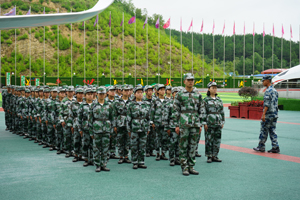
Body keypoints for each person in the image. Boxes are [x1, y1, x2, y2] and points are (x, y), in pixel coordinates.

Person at [173, 73, 204, 176]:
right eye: (189, 80)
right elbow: (175, 110)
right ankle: (184, 167)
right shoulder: (180, 94)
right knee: (183, 146)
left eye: (192, 80)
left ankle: (191, 166)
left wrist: (200, 124)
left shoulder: (197, 94)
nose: (191, 81)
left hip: (195, 123)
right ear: (184, 81)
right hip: (184, 123)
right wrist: (176, 125)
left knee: (193, 146)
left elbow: (201, 109)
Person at [253, 75, 280, 153]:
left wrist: (263, 114)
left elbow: (267, 104)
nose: (263, 82)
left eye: (263, 80)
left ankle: (261, 146)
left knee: (263, 130)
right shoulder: (275, 90)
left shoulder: (268, 91)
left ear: (267, 81)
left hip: (268, 114)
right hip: (275, 114)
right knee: (272, 130)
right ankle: (275, 147)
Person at [90, 87, 114, 172]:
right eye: (100, 94)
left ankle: (104, 164)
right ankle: (97, 165)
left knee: (105, 148)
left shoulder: (109, 105)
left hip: (106, 129)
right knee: (96, 148)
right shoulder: (93, 105)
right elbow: (90, 119)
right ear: (97, 94)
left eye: (103, 94)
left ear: (105, 94)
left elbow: (112, 118)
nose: (102, 95)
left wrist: (111, 130)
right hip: (96, 129)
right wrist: (91, 132)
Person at [126, 86, 151, 169]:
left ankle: (141, 161)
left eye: (141, 92)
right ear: (134, 94)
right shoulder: (131, 105)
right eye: (138, 92)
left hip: (144, 127)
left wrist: (148, 128)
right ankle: (134, 161)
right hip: (134, 127)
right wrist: (128, 129)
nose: (140, 94)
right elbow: (128, 117)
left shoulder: (147, 104)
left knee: (142, 145)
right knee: (134, 145)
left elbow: (148, 117)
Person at [202, 82, 225, 163]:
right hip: (209, 122)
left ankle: (215, 155)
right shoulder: (205, 100)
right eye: (213, 88)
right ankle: (209, 156)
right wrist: (204, 123)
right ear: (208, 89)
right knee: (209, 140)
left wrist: (222, 121)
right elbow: (203, 112)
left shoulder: (219, 100)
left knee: (217, 139)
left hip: (218, 122)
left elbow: (222, 111)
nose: (215, 89)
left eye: (215, 88)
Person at [113, 85, 132, 164]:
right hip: (120, 123)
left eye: (128, 90)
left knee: (127, 140)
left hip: (129, 122)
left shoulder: (131, 102)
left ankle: (126, 156)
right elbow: (114, 114)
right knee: (120, 140)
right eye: (125, 90)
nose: (127, 92)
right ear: (122, 91)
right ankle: (121, 156)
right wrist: (114, 125)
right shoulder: (117, 102)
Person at [150, 84, 169, 161]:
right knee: (157, 138)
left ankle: (163, 153)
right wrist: (152, 122)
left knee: (165, 138)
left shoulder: (168, 100)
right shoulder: (154, 101)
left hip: (165, 122)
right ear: (157, 91)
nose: (163, 91)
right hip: (157, 122)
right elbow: (152, 112)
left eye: (164, 90)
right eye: (161, 90)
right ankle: (157, 153)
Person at [164, 87, 180, 166]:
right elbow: (166, 116)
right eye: (175, 92)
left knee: (179, 144)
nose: (176, 94)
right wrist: (167, 127)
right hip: (172, 126)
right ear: (172, 94)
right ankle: (172, 159)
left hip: (180, 126)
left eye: (178, 92)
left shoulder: (181, 103)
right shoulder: (169, 104)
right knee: (172, 143)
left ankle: (177, 158)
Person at [70, 88, 84, 161]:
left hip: (84, 124)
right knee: (76, 140)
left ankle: (82, 155)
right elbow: (70, 115)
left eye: (82, 93)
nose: (81, 94)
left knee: (84, 140)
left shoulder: (85, 103)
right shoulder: (73, 104)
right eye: (79, 93)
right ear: (76, 94)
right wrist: (71, 125)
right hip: (76, 123)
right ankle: (76, 154)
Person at [142, 85, 156, 157]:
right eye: (149, 91)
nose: (151, 92)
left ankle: (151, 150)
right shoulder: (143, 100)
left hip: (153, 120)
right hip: (146, 120)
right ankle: (146, 150)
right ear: (146, 92)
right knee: (146, 136)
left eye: (151, 91)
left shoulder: (154, 100)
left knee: (152, 136)